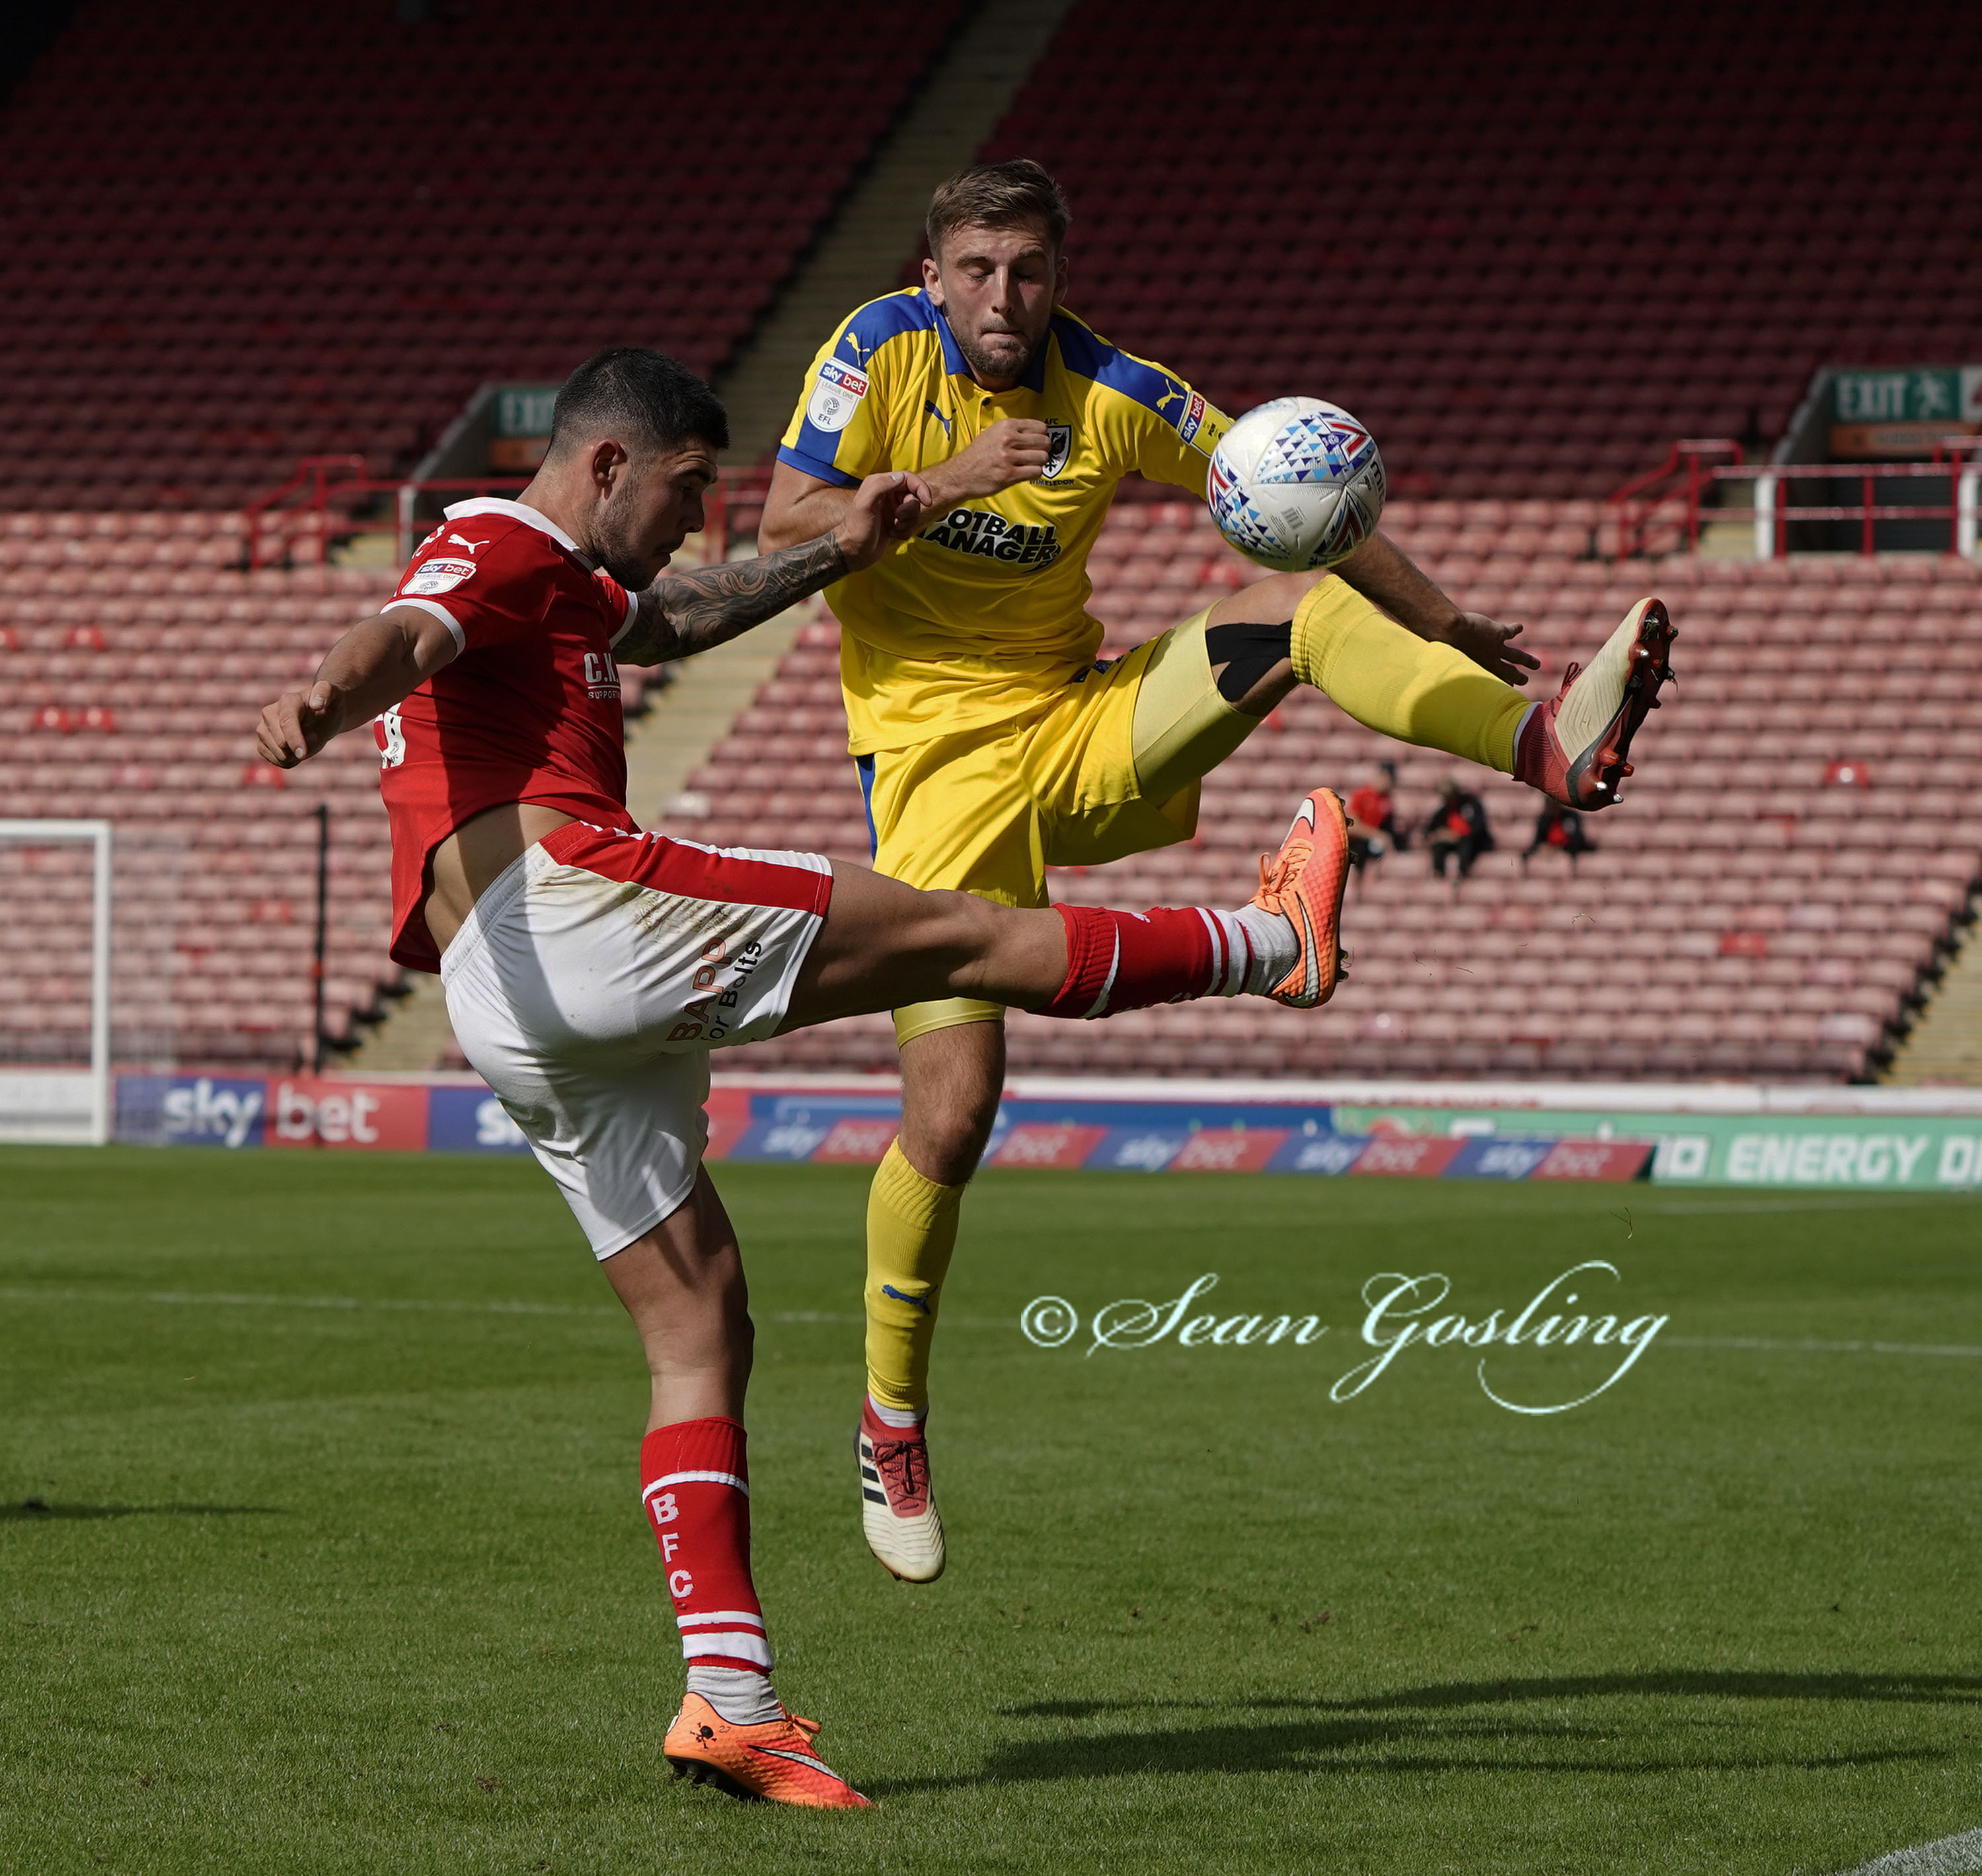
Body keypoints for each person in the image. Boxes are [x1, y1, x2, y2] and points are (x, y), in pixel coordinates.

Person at [254, 346, 1357, 1810]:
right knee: (957, 929)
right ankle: (1269, 943)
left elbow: (666, 620)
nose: (695, 521)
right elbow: (401, 636)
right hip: (573, 903)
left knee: (698, 1323)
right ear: (605, 464)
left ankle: (732, 1703)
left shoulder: (563, 584)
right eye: (684, 489)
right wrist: (318, 698)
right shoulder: (497, 541)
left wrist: (842, 545)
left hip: (502, 999)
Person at [758, 157, 1677, 1583]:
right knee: (953, 1113)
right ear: (930, 276)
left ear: (1060, 278)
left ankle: (1541, 746)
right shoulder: (873, 354)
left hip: (1080, 728)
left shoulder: (1115, 389)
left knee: (1292, 607)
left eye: (1028, 270)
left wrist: (1447, 621)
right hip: (933, 773)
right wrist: (937, 484)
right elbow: (779, 526)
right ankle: (889, 1419)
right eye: (977, 270)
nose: (1003, 296)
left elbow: (1298, 497)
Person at [1424, 777, 1495, 878]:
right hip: (1452, 843)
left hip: (1473, 842)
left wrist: (1456, 834)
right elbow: (1429, 832)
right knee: (1439, 845)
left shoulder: (1471, 804)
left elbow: (1478, 828)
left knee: (1466, 842)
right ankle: (1438, 873)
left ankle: (1463, 872)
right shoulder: (1443, 811)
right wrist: (1439, 835)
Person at [1346, 760, 1406, 867]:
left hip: (1372, 841)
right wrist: (1379, 835)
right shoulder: (1362, 795)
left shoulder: (1387, 800)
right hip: (1357, 842)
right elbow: (1352, 826)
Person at [1525, 798, 1595, 868]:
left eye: (1555, 806)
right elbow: (1538, 841)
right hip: (1550, 853)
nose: (1553, 810)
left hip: (1570, 852)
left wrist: (1559, 848)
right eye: (1551, 807)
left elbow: (1577, 839)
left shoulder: (1571, 816)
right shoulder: (1544, 819)